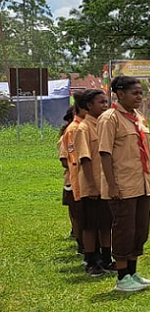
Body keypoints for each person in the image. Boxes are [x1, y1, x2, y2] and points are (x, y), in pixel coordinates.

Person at [99, 76, 150, 292]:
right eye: (135, 93)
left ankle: (133, 272)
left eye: (141, 93)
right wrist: (111, 185)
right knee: (124, 229)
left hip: (142, 183)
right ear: (120, 94)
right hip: (122, 185)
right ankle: (122, 277)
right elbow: (105, 153)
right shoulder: (109, 118)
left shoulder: (138, 118)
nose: (139, 97)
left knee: (140, 230)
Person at [74, 89, 113, 277]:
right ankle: (91, 260)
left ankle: (106, 258)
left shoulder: (105, 125)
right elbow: (85, 158)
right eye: (101, 102)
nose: (105, 106)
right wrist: (91, 186)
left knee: (106, 223)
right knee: (90, 225)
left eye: (106, 102)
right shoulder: (84, 128)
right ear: (89, 105)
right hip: (92, 185)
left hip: (106, 185)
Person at [60, 106, 85, 256]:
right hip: (73, 180)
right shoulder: (71, 132)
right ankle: (81, 243)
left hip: (86, 180)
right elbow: (66, 159)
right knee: (76, 214)